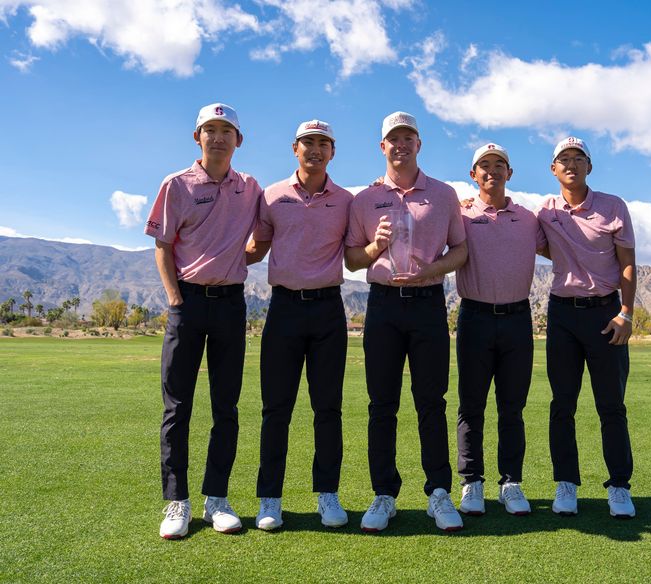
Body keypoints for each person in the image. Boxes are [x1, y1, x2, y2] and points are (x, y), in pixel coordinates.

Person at [344, 111, 468, 532]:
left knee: (431, 402)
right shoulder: (363, 199)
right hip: (382, 306)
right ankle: (384, 495)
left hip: (428, 305)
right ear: (382, 146)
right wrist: (374, 247)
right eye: (393, 138)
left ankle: (438, 492)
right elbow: (351, 258)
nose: (400, 144)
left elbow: (461, 251)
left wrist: (431, 271)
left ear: (419, 144)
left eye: (408, 137)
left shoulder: (444, 194)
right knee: (382, 405)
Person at [145, 103, 261, 539]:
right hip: (188, 304)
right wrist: (176, 301)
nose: (217, 137)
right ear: (197, 138)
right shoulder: (176, 185)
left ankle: (217, 499)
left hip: (231, 304)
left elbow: (265, 232)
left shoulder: (249, 188)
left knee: (225, 407)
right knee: (177, 407)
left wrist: (245, 255)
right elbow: (162, 247)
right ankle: (178, 501)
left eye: (226, 130)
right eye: (209, 130)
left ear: (238, 140)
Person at [246, 120, 352, 530]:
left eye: (323, 143)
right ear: (295, 148)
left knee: (328, 409)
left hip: (328, 310)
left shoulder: (346, 200)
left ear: (332, 151)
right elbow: (255, 247)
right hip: (284, 310)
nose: (315, 149)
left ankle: (328, 494)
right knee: (276, 409)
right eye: (308, 142)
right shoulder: (272, 196)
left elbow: (360, 247)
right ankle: (270, 498)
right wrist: (209, 254)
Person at [536, 136, 637, 519]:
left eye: (579, 159)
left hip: (606, 314)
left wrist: (626, 313)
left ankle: (619, 486)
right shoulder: (545, 211)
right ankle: (566, 483)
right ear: (553, 169)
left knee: (611, 405)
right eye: (564, 159)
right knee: (562, 404)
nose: (572, 164)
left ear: (589, 167)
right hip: (562, 315)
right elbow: (507, 226)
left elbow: (627, 262)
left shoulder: (613, 207)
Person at [455, 143, 547, 517]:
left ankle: (511, 482)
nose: (492, 171)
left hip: (516, 319)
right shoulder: (460, 215)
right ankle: (472, 482)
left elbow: (565, 248)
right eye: (484, 166)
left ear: (510, 173)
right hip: (475, 317)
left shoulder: (529, 219)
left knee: (512, 407)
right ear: (473, 174)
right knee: (471, 405)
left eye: (499, 165)